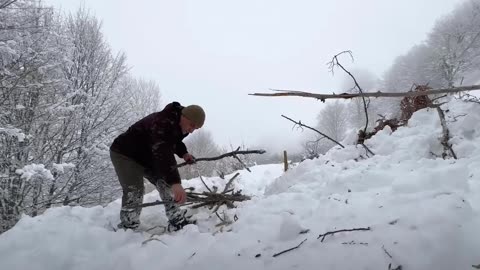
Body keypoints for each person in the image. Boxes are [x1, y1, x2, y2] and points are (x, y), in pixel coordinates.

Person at [109, 101, 205, 231]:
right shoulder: (162, 122)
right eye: (192, 125)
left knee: (165, 184)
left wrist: (184, 153)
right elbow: (163, 152)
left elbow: (174, 141)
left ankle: (176, 220)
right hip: (125, 154)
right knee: (135, 189)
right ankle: (128, 227)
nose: (192, 130)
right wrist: (176, 183)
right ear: (184, 116)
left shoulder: (180, 124)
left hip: (147, 156)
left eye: (196, 128)